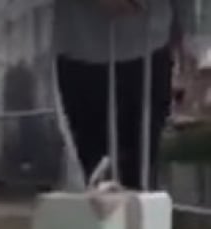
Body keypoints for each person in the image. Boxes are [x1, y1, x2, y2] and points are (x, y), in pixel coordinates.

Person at [54, 0, 197, 190]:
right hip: (83, 48)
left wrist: (186, 33)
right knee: (98, 171)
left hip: (151, 45)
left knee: (141, 172)